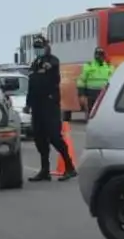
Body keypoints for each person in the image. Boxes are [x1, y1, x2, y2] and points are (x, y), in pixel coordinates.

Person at [26, 36, 76, 182]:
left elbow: (51, 75)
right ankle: (45, 170)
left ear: (47, 47)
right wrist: (28, 104)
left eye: (40, 47)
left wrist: (45, 68)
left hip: (50, 105)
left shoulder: (52, 61)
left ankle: (70, 167)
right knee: (39, 138)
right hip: (37, 106)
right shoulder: (35, 64)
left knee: (54, 137)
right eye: (36, 48)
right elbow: (32, 86)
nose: (38, 50)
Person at [76, 46, 114, 114]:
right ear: (95, 55)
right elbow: (81, 81)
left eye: (101, 54)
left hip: (104, 94)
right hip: (91, 94)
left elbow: (113, 80)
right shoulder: (89, 66)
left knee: (104, 112)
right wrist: (81, 94)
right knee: (92, 113)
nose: (100, 56)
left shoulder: (109, 66)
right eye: (98, 54)